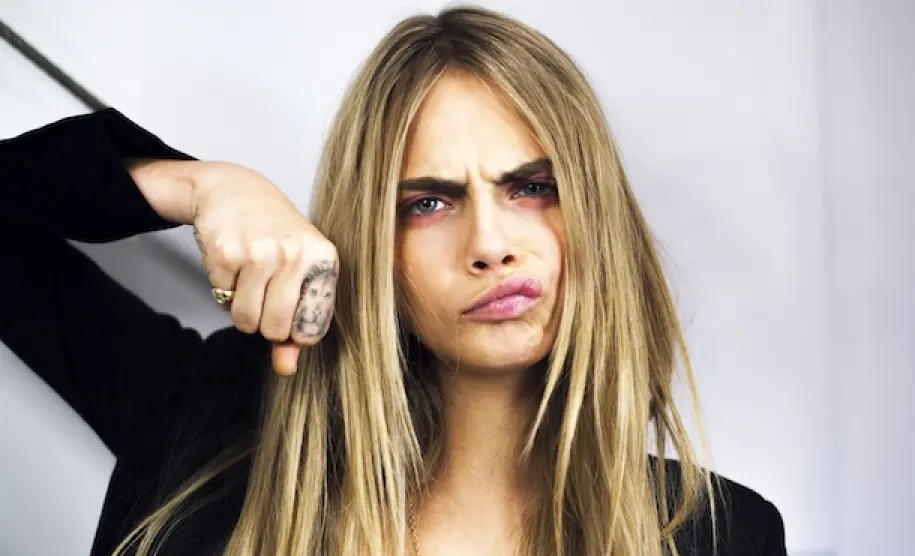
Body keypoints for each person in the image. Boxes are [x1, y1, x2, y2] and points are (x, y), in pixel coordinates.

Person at [0, 6, 786, 556]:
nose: (490, 245)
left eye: (532, 187)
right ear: (370, 244)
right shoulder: (207, 428)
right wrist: (196, 185)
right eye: (428, 203)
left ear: (597, 212)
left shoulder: (724, 537)